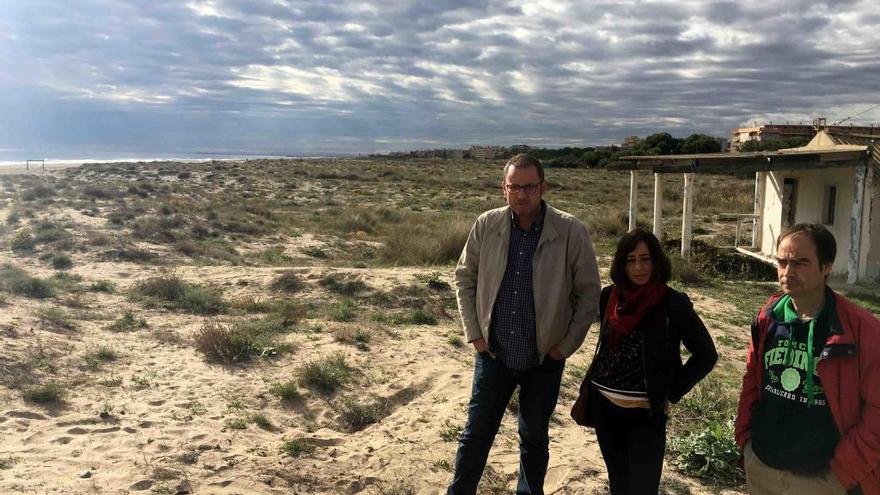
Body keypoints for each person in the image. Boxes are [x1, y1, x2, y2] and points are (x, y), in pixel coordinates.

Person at [448, 153, 601, 495]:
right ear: (503, 188)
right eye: (514, 186)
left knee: (533, 439)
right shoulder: (487, 224)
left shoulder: (570, 231)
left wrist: (565, 346)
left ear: (543, 187)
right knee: (476, 435)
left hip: (543, 359)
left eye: (529, 186)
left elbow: (589, 294)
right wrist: (475, 334)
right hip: (493, 354)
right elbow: (464, 278)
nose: (522, 194)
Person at [735, 224, 880, 495]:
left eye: (800, 262)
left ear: (826, 266)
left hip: (823, 478)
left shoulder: (861, 330)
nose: (787, 272)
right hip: (763, 468)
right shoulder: (768, 318)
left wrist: (844, 470)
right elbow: (751, 381)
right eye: (782, 262)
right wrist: (746, 441)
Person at [573, 227, 717, 495]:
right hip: (604, 407)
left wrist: (670, 392)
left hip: (645, 414)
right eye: (631, 260)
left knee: (643, 488)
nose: (638, 267)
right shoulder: (609, 297)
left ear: (656, 261)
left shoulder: (672, 303)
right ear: (621, 264)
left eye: (645, 258)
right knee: (618, 482)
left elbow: (706, 355)